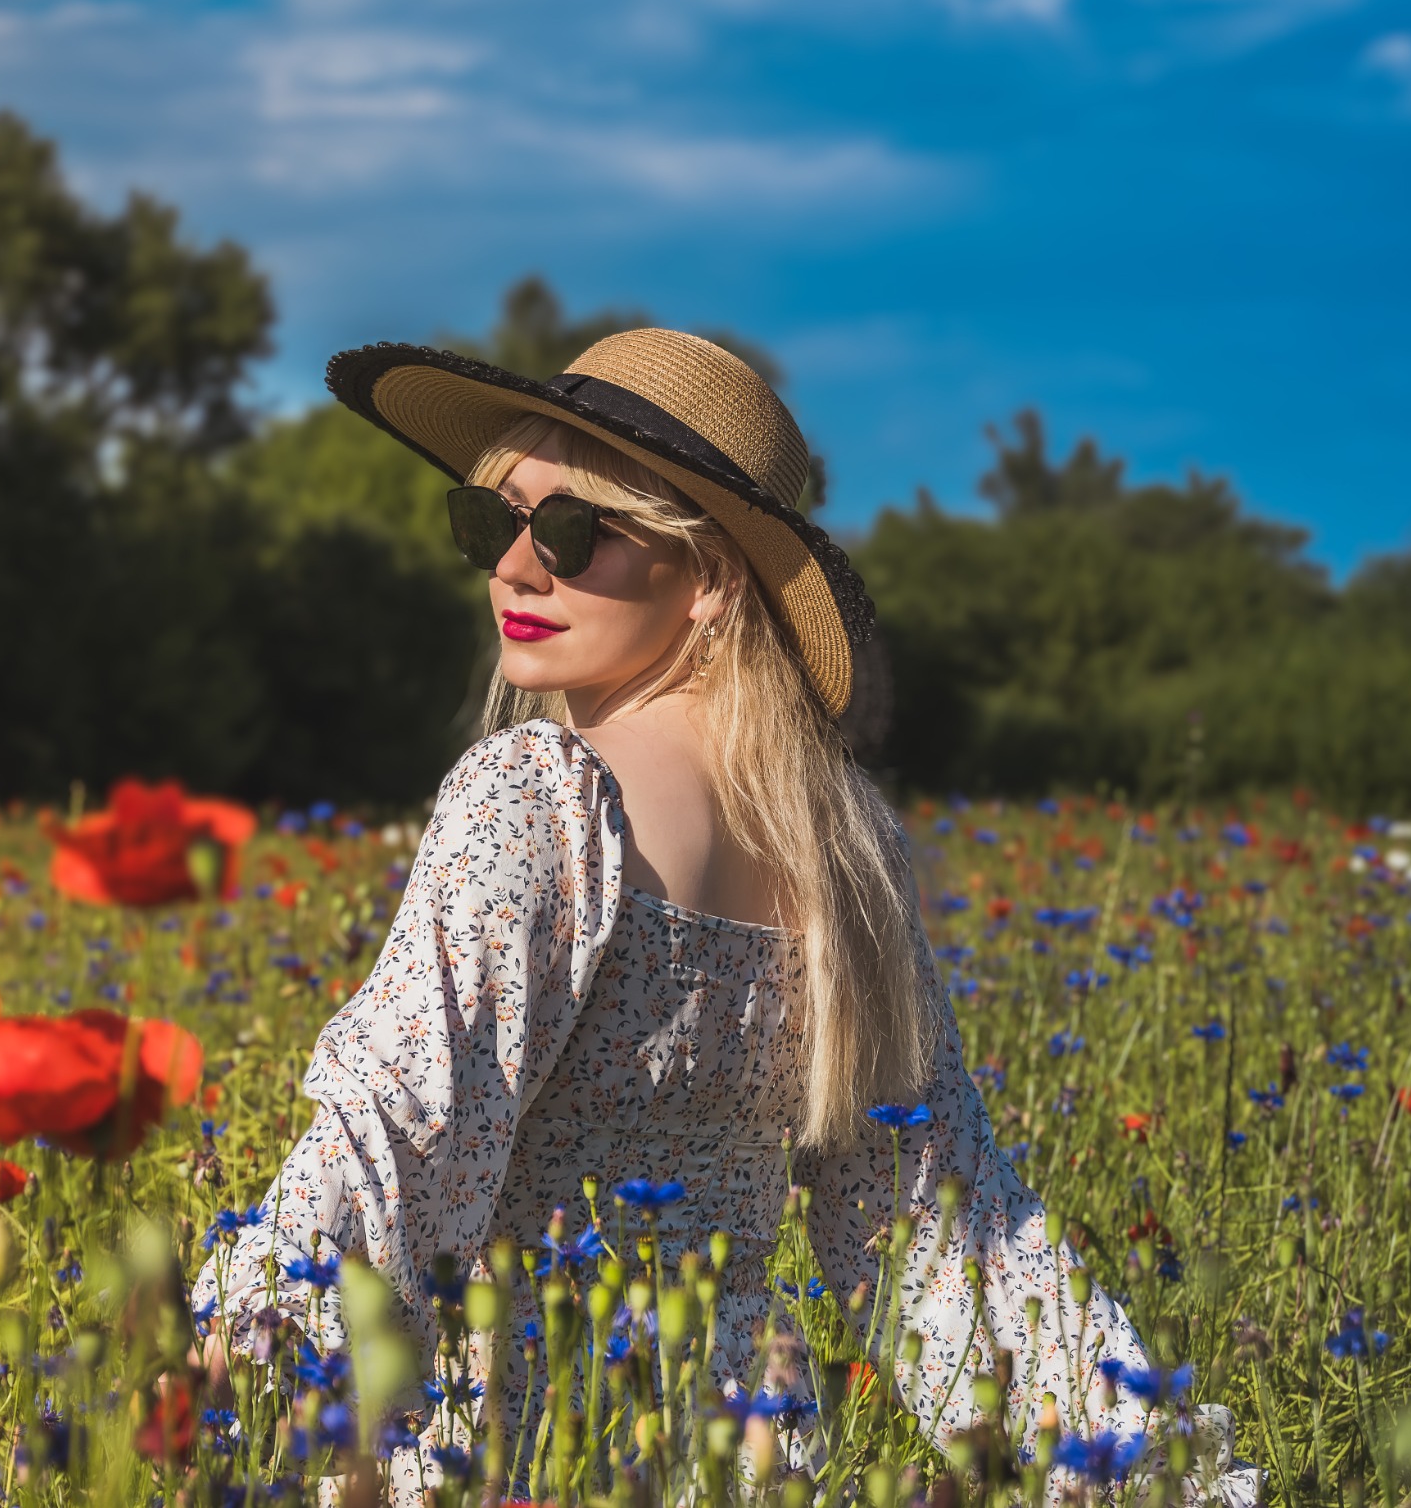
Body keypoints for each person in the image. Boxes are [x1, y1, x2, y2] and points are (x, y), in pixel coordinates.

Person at [191, 328, 1259, 1503]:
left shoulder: (534, 797)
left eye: (570, 530)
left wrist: (235, 1349)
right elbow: (936, 1231)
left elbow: (395, 1129)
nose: (514, 568)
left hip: (502, 1457)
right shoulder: (846, 852)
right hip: (736, 1465)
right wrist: (1137, 1466)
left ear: (709, 579)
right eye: (491, 523)